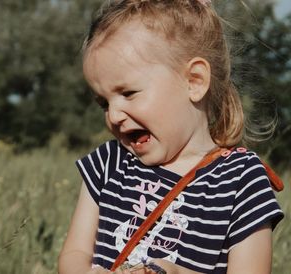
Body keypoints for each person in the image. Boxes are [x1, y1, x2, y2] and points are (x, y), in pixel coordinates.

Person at [58, 0, 284, 273]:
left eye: (128, 93)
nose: (114, 115)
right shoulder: (109, 163)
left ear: (194, 81)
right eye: (104, 103)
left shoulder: (241, 180)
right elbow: (75, 253)